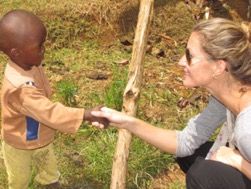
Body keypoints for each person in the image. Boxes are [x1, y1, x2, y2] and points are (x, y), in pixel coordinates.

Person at [92, 18, 251, 189]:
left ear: (219, 67)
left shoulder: (246, 129)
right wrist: (126, 121)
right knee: (193, 156)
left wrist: (237, 161)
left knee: (203, 175)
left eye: (190, 56)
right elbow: (184, 143)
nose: (181, 61)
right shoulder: (225, 97)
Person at [0, 9, 108, 189]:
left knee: (49, 170)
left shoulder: (28, 63)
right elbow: (49, 112)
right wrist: (86, 114)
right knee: (19, 181)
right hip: (19, 143)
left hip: (40, 134)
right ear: (16, 53)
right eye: (39, 47)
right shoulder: (20, 88)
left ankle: (51, 183)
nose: (44, 50)